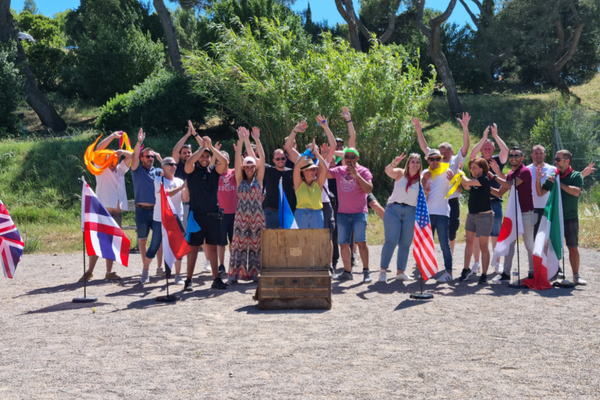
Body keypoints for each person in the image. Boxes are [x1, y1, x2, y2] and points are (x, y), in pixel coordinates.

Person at [413, 113, 470, 254]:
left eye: (446, 153)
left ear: (451, 152)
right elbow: (424, 147)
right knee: (429, 230)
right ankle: (426, 258)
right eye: (441, 153)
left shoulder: (456, 159)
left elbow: (466, 146)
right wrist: (419, 131)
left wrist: (465, 128)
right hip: (434, 201)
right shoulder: (434, 160)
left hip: (452, 200)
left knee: (452, 231)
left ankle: (449, 257)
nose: (443, 155)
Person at [79, 131, 132, 282]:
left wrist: (122, 151)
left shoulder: (121, 170)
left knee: (113, 242)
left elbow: (131, 156)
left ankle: (109, 272)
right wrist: (113, 137)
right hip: (103, 213)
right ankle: (89, 271)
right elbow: (97, 151)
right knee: (98, 241)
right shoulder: (100, 171)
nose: (115, 160)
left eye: (116, 158)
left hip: (117, 213)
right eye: (112, 158)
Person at [535, 151, 595, 285]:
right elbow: (540, 193)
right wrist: (538, 179)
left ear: (567, 161)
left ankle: (576, 275)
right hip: (554, 218)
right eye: (555, 159)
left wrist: (558, 183)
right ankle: (554, 273)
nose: (555, 161)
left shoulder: (576, 175)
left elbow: (575, 192)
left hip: (570, 217)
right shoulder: (552, 176)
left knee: (572, 247)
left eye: (558, 159)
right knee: (552, 247)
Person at [184, 135, 229, 291]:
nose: (204, 159)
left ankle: (216, 279)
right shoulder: (191, 169)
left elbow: (224, 162)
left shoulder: (213, 171)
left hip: (213, 215)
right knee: (194, 248)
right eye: (202, 156)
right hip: (196, 215)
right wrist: (202, 147)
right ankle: (188, 280)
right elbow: (189, 162)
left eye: (207, 156)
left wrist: (211, 147)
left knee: (212, 248)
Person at [328, 148, 373, 282]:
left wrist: (356, 175)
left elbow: (369, 189)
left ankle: (366, 271)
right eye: (347, 156)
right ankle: (347, 272)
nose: (349, 159)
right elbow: (323, 173)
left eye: (352, 156)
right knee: (343, 244)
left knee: (361, 243)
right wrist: (324, 156)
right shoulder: (339, 170)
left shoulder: (364, 171)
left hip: (359, 213)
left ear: (357, 158)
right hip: (342, 213)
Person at [469, 124, 509, 274]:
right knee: (478, 235)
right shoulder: (478, 161)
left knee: (495, 234)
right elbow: (472, 153)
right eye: (484, 148)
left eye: (489, 148)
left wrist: (496, 136)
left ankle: (496, 262)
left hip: (495, 203)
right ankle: (476, 263)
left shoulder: (497, 160)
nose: (486, 150)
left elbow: (505, 151)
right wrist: (483, 138)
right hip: (478, 204)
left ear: (493, 150)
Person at [491, 146, 535, 281]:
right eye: (511, 156)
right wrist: (484, 185)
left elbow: (511, 185)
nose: (513, 158)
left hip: (526, 213)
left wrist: (493, 176)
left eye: (516, 156)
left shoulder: (525, 171)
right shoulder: (510, 173)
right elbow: (499, 193)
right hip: (513, 214)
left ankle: (533, 273)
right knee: (509, 244)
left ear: (522, 158)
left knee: (529, 244)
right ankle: (506, 273)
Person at [140, 157, 186, 284]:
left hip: (176, 219)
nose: (173, 166)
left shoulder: (179, 181)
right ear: (163, 167)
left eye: (175, 164)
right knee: (154, 246)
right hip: (160, 219)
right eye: (170, 164)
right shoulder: (158, 180)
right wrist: (182, 187)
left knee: (178, 248)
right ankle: (146, 270)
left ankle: (178, 275)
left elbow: (185, 198)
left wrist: (188, 188)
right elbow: (166, 194)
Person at [228, 127, 266, 282]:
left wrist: (256, 140)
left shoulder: (260, 179)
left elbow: (262, 159)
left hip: (257, 215)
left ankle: (257, 273)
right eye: (247, 166)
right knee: (238, 244)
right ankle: (234, 275)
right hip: (241, 216)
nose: (250, 169)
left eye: (252, 166)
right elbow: (237, 161)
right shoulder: (239, 180)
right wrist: (241, 141)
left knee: (258, 244)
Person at [379, 153, 422, 282]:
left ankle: (400, 272)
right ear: (408, 163)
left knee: (405, 243)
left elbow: (423, 197)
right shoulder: (400, 173)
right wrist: (394, 163)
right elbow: (388, 171)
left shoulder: (421, 179)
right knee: (391, 241)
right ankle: (383, 271)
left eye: (417, 162)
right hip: (394, 209)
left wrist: (427, 192)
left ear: (420, 165)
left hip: (410, 211)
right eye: (413, 161)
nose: (415, 164)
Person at [131, 129, 164, 281]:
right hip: (141, 211)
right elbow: (134, 156)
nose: (150, 158)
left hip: (156, 210)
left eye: (152, 156)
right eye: (147, 156)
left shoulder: (158, 171)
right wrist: (139, 142)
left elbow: (170, 172)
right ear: (142, 158)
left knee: (158, 240)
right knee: (143, 241)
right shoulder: (136, 170)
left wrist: (160, 159)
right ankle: (146, 269)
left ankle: (159, 268)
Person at [421, 149, 455, 282]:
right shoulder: (425, 173)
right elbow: (422, 189)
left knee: (444, 245)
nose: (435, 161)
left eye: (438, 159)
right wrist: (424, 184)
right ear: (428, 160)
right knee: (426, 244)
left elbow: (458, 190)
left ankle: (449, 272)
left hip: (442, 213)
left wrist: (452, 180)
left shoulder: (448, 172)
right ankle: (425, 270)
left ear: (442, 159)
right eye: (432, 159)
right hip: (427, 213)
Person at [458, 158, 494, 285]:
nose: (472, 170)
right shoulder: (474, 181)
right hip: (471, 215)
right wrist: (459, 176)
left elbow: (467, 181)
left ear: (482, 169)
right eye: (471, 167)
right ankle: (466, 269)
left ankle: (484, 274)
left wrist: (459, 172)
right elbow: (466, 186)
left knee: (484, 246)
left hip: (484, 217)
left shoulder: (484, 179)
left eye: (475, 167)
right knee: (469, 242)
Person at [292, 140, 328, 228]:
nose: (315, 172)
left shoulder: (318, 183)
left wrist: (316, 153)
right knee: (300, 241)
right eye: (312, 169)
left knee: (317, 240)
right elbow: (297, 166)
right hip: (301, 215)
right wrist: (307, 152)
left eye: (315, 169)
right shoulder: (298, 184)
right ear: (304, 171)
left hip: (317, 214)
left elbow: (325, 168)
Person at [262, 146, 296, 229]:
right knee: (270, 240)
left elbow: (301, 162)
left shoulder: (292, 172)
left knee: (288, 240)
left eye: (282, 158)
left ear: (286, 159)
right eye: (277, 159)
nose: (280, 161)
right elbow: (258, 160)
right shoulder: (268, 170)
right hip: (271, 213)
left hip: (288, 213)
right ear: (273, 160)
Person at [527, 145, 555, 238]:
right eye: (536, 153)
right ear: (532, 155)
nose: (538, 155)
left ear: (545, 155)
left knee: (545, 239)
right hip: (530, 209)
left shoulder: (553, 169)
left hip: (547, 209)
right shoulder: (526, 170)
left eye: (541, 153)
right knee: (532, 240)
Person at [217, 150, 237, 276]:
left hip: (234, 211)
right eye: (218, 160)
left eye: (223, 159)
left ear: (228, 161)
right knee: (221, 241)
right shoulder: (215, 174)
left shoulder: (234, 172)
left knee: (233, 241)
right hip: (220, 213)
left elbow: (240, 164)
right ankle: (221, 265)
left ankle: (232, 264)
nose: (221, 162)